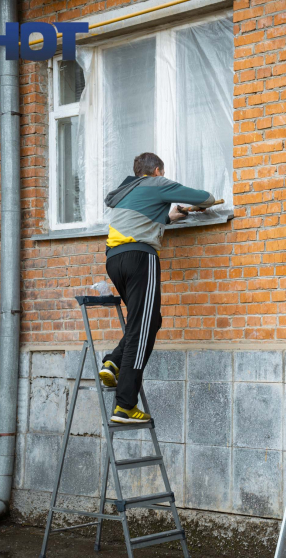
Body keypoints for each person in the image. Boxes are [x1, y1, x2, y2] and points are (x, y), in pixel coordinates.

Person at [99, 152, 216, 424]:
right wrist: (201, 204)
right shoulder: (158, 184)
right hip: (141, 258)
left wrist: (171, 216)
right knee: (142, 328)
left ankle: (114, 362)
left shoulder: (127, 191)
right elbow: (204, 197)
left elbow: (147, 221)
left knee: (149, 320)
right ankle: (125, 405)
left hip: (114, 260)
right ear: (158, 170)